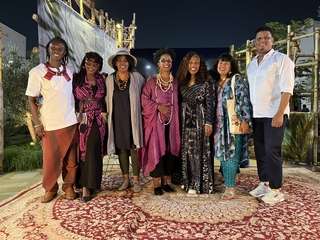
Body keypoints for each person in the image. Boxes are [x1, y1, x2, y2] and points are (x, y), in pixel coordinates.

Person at [25, 37, 78, 203]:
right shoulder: (37, 72)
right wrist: (37, 123)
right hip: (50, 124)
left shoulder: (70, 69)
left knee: (71, 158)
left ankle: (68, 186)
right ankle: (50, 188)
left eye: (61, 49)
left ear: (65, 52)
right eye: (54, 48)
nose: (57, 51)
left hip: (70, 121)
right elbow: (32, 100)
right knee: (50, 160)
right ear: (48, 49)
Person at [246, 26, 295, 204]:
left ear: (272, 40)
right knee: (260, 151)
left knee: (271, 150)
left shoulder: (281, 60)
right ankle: (264, 183)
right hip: (257, 115)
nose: (262, 42)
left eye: (266, 38)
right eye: (258, 39)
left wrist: (279, 113)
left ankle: (276, 189)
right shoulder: (252, 64)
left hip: (274, 114)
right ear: (254, 42)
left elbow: (287, 89)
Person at [138, 48, 181, 195]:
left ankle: (166, 182)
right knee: (157, 151)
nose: (166, 63)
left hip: (173, 124)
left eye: (169, 60)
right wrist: (158, 107)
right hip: (156, 125)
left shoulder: (176, 81)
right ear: (158, 63)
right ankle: (156, 185)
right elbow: (144, 99)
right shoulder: (151, 82)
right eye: (163, 60)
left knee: (169, 153)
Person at [211, 53, 252, 200]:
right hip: (218, 124)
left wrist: (245, 121)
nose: (222, 66)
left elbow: (244, 100)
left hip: (232, 124)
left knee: (231, 155)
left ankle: (230, 188)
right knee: (222, 155)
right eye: (220, 63)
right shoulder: (215, 83)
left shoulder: (236, 80)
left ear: (231, 66)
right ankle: (227, 180)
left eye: (226, 63)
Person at [105, 48, 145, 193]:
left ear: (129, 63)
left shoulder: (137, 78)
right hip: (117, 119)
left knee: (134, 148)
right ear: (115, 63)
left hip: (133, 118)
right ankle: (125, 179)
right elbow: (106, 100)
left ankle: (136, 180)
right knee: (122, 149)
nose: (123, 63)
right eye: (120, 60)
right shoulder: (109, 80)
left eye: (125, 60)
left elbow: (145, 96)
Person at [176, 52, 214, 194]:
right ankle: (188, 181)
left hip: (200, 119)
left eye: (196, 63)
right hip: (185, 120)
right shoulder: (182, 80)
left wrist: (209, 122)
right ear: (186, 64)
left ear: (200, 64)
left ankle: (199, 184)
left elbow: (211, 103)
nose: (193, 65)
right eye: (190, 63)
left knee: (198, 151)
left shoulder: (207, 80)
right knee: (187, 151)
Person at [73, 52, 107, 202]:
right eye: (89, 62)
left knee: (96, 148)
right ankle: (85, 186)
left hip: (99, 118)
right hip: (84, 117)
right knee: (85, 149)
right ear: (84, 63)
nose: (92, 66)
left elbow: (105, 98)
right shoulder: (77, 78)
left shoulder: (101, 79)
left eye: (96, 64)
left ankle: (93, 183)